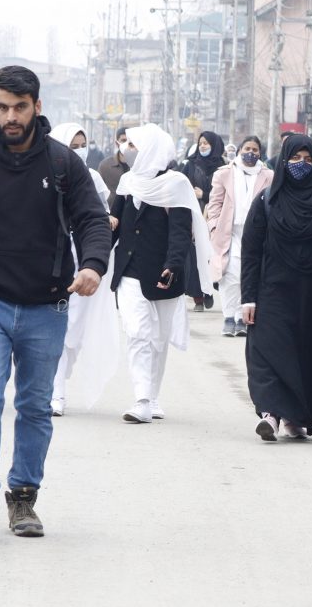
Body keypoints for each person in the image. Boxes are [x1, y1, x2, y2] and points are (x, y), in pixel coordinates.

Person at [0, 66, 111, 541]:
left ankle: (24, 498)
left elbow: (92, 219)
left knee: (33, 405)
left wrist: (92, 264)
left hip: (46, 307)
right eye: (3, 107)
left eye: (20, 107)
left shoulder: (62, 164)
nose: (11, 117)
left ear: (37, 105)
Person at [241, 134, 312, 441]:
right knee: (269, 351)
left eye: (307, 159)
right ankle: (270, 414)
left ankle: (295, 416)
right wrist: (248, 297)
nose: (301, 165)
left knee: (305, 354)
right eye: (294, 159)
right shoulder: (267, 200)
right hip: (272, 291)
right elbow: (251, 251)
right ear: (283, 162)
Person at [109, 123, 214, 423]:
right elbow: (115, 222)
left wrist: (172, 264)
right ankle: (141, 398)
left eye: (133, 146)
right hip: (129, 270)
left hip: (163, 272)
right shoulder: (128, 182)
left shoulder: (175, 184)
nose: (127, 150)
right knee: (138, 332)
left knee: (159, 338)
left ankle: (153, 396)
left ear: (150, 150)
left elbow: (181, 232)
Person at [48, 122, 119, 417]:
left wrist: (108, 221)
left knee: (74, 330)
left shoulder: (90, 177)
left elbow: (99, 214)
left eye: (82, 144)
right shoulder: (47, 174)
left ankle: (58, 377)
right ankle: (55, 393)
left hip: (84, 262)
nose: (79, 150)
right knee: (57, 328)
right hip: (52, 260)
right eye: (72, 145)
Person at [206, 135, 274, 337]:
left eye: (255, 149)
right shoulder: (225, 174)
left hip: (255, 232)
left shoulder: (269, 176)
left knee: (248, 272)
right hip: (230, 231)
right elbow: (214, 203)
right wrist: (213, 226)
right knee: (230, 273)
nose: (250, 153)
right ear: (239, 150)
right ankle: (229, 317)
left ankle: (240, 317)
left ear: (260, 153)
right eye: (247, 148)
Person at [175, 133, 216, 312]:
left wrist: (204, 195)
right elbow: (180, 188)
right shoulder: (190, 165)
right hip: (194, 215)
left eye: (207, 143)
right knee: (195, 256)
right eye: (201, 143)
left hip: (215, 217)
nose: (203, 146)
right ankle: (198, 296)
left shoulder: (222, 166)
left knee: (211, 256)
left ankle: (210, 291)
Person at [98, 126, 131, 207]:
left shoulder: (138, 166)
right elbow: (97, 192)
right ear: (117, 143)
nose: (126, 144)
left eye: (129, 141)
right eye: (123, 140)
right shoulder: (105, 166)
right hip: (111, 212)